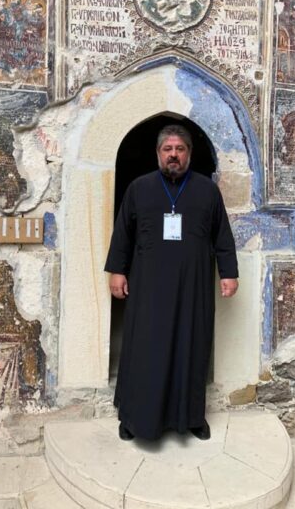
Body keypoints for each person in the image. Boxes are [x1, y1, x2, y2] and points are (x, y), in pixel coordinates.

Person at [105, 124, 239, 442]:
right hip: (148, 288)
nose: (174, 155)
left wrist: (229, 272)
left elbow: (222, 234)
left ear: (189, 153)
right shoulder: (139, 188)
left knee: (190, 347)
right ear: (158, 153)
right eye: (168, 149)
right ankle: (134, 418)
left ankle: (191, 417)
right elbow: (123, 233)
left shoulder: (207, 190)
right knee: (145, 349)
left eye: (180, 149)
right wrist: (117, 271)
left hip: (193, 288)